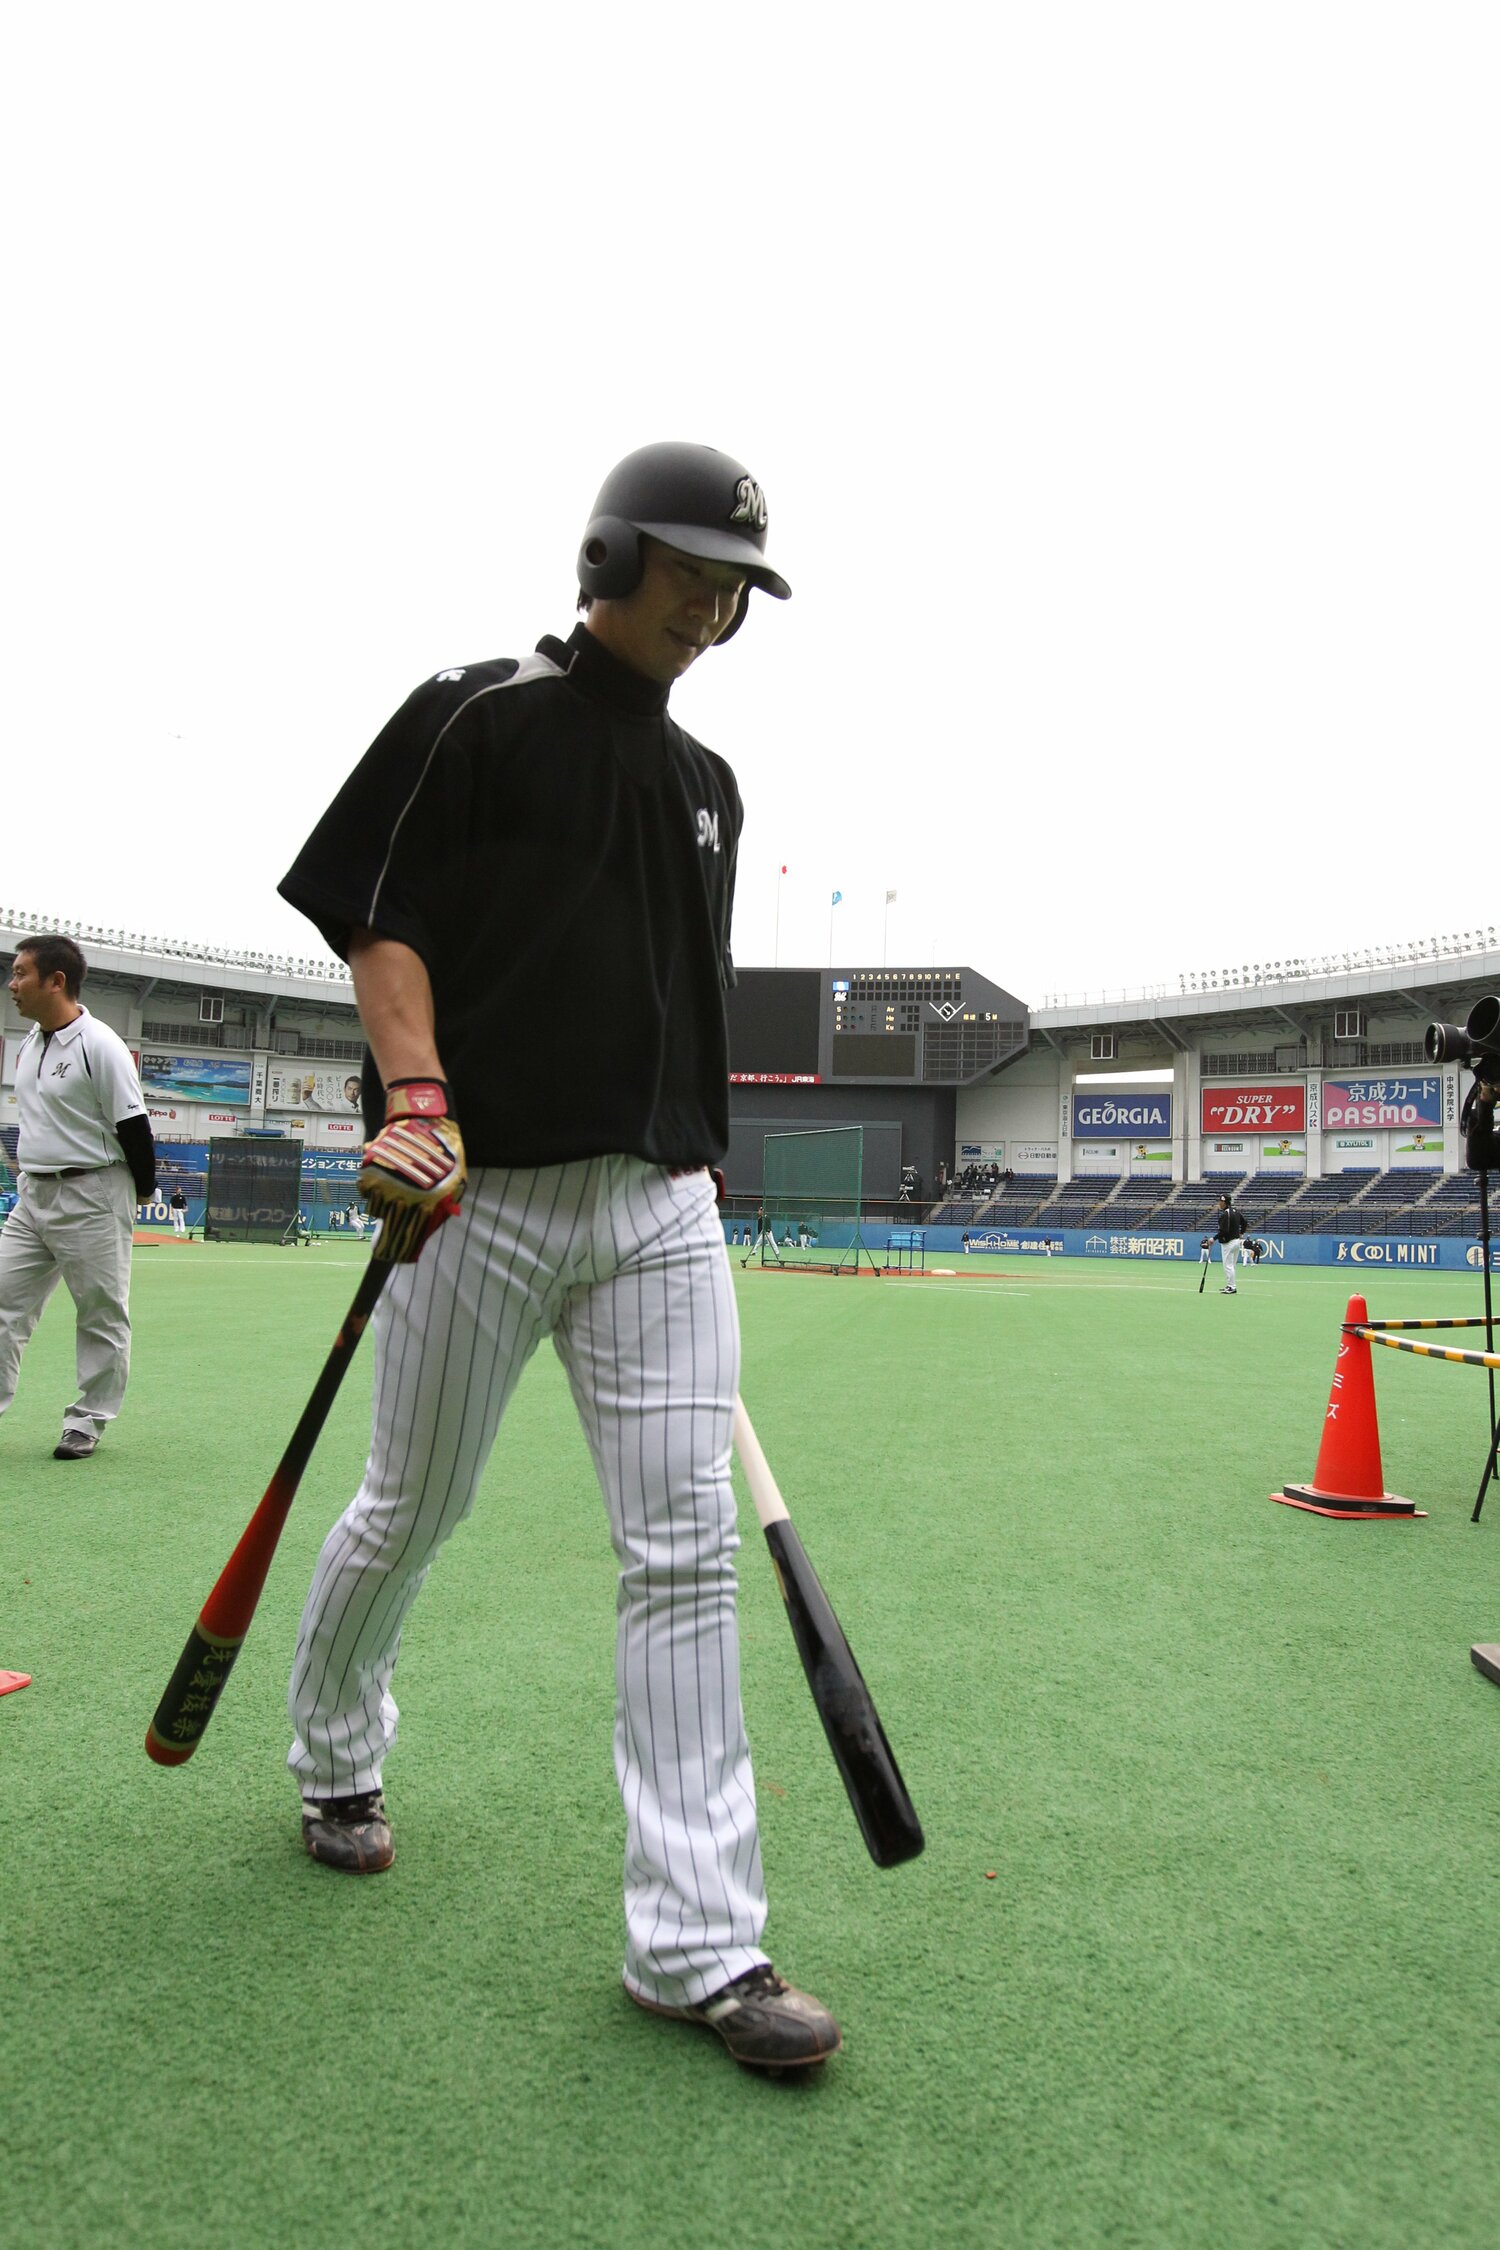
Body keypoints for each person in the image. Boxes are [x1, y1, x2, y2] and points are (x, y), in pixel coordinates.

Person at [275, 442, 839, 2074]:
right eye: (687, 562)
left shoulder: (711, 787)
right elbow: (385, 923)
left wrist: (691, 1162)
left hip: (660, 1205)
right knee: (412, 1502)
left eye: (735, 578)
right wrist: (420, 1095)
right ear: (609, 555)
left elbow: (669, 1004)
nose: (714, 596)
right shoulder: (479, 711)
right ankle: (333, 1756)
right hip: (481, 1193)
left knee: (685, 1552)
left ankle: (699, 1947)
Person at [0, 934, 155, 1459]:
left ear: (56, 981)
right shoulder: (30, 1043)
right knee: (2, 1303)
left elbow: (134, 1125)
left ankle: (88, 1421)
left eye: (21, 973)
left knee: (100, 1311)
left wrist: (141, 1191)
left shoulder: (100, 1044)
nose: (12, 983)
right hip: (33, 1196)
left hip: (92, 1191)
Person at [1208, 1191, 1250, 1293]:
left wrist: (1213, 1238)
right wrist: (1241, 1233)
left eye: (1221, 1201)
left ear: (1225, 1202)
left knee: (1227, 1265)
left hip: (1228, 1243)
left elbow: (1224, 1231)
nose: (1219, 1203)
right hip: (1237, 1241)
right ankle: (1230, 1285)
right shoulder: (1235, 1212)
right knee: (1232, 1266)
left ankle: (1232, 1286)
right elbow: (1245, 1222)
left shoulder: (1226, 1214)